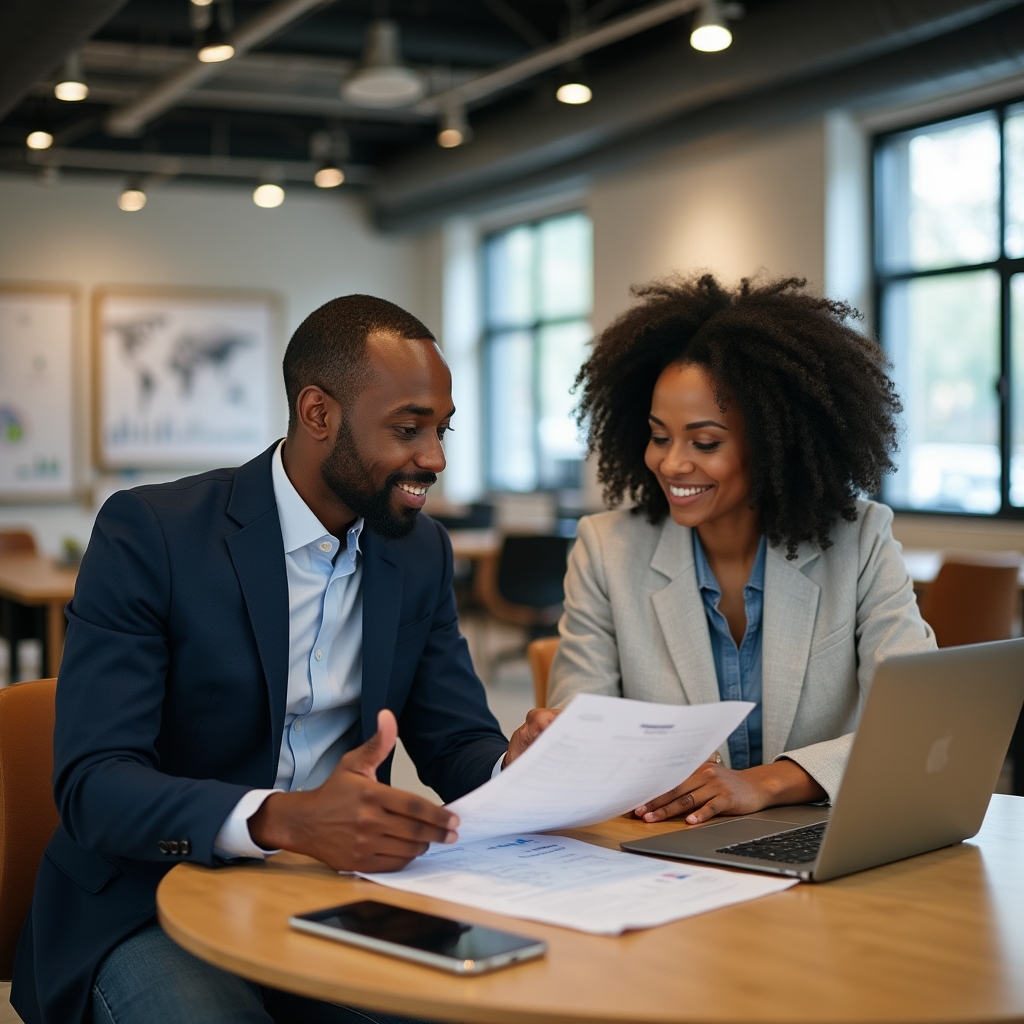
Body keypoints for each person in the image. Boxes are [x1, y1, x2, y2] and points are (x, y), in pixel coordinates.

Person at [12, 295, 547, 1024]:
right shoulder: (153, 535)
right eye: (408, 429)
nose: (436, 459)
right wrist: (283, 821)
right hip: (149, 896)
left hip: (335, 893)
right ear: (318, 413)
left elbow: (455, 741)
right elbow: (94, 784)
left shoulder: (417, 552)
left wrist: (511, 771)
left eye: (441, 430)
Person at [547, 273, 936, 825]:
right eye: (660, 436)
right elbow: (577, 723)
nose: (672, 463)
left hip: (820, 837)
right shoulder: (606, 549)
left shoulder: (859, 540)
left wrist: (770, 782)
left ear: (777, 444)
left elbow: (915, 718)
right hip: (666, 845)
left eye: (705, 442)